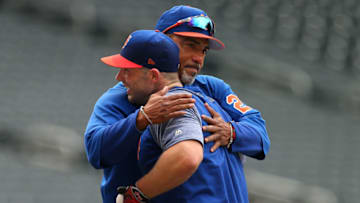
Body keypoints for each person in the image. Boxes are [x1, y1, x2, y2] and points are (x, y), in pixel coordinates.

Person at [84, 5, 270, 203]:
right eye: (190, 45)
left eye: (204, 50)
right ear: (160, 42)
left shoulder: (212, 88)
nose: (198, 58)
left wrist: (231, 133)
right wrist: (141, 118)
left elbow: (260, 136)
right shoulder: (123, 96)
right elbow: (96, 152)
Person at [102, 29, 248, 203]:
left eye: (128, 70)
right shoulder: (217, 110)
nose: (119, 77)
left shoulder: (169, 104)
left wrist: (136, 195)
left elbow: (187, 157)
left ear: (153, 75)